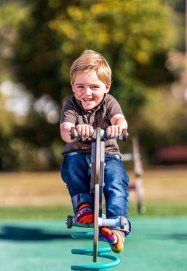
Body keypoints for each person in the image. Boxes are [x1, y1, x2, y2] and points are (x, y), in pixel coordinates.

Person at [60, 50, 131, 253]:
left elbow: (119, 119)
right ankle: (84, 206)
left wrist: (118, 127)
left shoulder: (110, 103)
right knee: (72, 162)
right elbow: (65, 131)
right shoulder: (72, 105)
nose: (87, 93)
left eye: (94, 87)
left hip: (107, 155)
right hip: (80, 154)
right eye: (80, 87)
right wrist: (74, 132)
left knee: (116, 177)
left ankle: (116, 227)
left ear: (106, 87)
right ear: (73, 86)